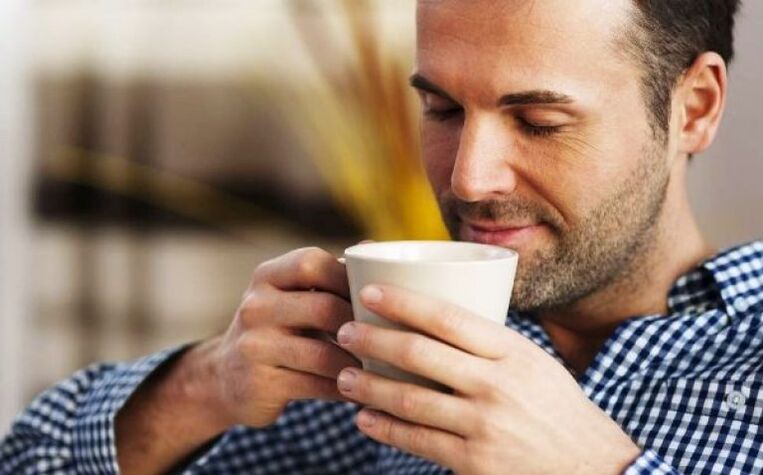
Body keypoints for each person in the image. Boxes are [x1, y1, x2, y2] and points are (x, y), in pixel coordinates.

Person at [2, 0, 760, 473]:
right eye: (441, 111)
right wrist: (211, 382)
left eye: (539, 122)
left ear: (693, 106)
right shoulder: (380, 358)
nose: (467, 178)